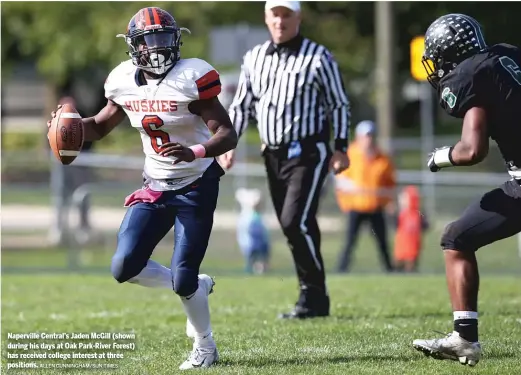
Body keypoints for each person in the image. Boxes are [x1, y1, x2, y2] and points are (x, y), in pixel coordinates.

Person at [47, 7, 237, 369]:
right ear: (133, 46)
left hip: (196, 184)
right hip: (155, 186)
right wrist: (69, 126)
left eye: (164, 39)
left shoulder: (192, 77)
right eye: (149, 41)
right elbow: (101, 127)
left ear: (177, 40)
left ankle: (205, 344)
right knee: (124, 266)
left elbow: (227, 134)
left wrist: (194, 150)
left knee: (183, 279)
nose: (157, 48)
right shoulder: (122, 81)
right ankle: (195, 284)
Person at [220, 0, 351, 319]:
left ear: (298, 18)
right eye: (274, 14)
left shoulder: (318, 57)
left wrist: (341, 147)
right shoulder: (253, 58)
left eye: (286, 15)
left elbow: (339, 104)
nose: (280, 21)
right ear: (266, 18)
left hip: (310, 151)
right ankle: (316, 298)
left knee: (295, 221)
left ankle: (312, 296)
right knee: (296, 223)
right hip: (273, 153)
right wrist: (229, 142)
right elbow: (241, 106)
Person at [412, 13, 521, 367]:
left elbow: (472, 150)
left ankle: (465, 339)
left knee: (456, 239)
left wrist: (439, 157)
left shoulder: (471, 75)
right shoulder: (507, 56)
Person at [334, 121, 395, 273]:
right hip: (356, 206)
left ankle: (390, 269)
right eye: (365, 136)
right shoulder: (350, 154)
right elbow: (340, 179)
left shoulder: (382, 158)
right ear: (359, 137)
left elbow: (390, 183)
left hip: (375, 206)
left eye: (371, 136)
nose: (368, 139)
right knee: (350, 241)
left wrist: (389, 201)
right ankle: (342, 269)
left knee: (382, 241)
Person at [391, 185, 429, 273]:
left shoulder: (418, 214)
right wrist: (392, 214)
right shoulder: (402, 214)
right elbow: (395, 224)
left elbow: (426, 226)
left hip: (413, 246)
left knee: (410, 265)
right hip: (401, 245)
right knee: (398, 264)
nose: (402, 201)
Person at [235, 188, 271, 274]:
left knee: (259, 254)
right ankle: (252, 268)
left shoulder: (256, 217)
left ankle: (258, 267)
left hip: (257, 241)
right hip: (252, 242)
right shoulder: (247, 217)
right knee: (253, 254)